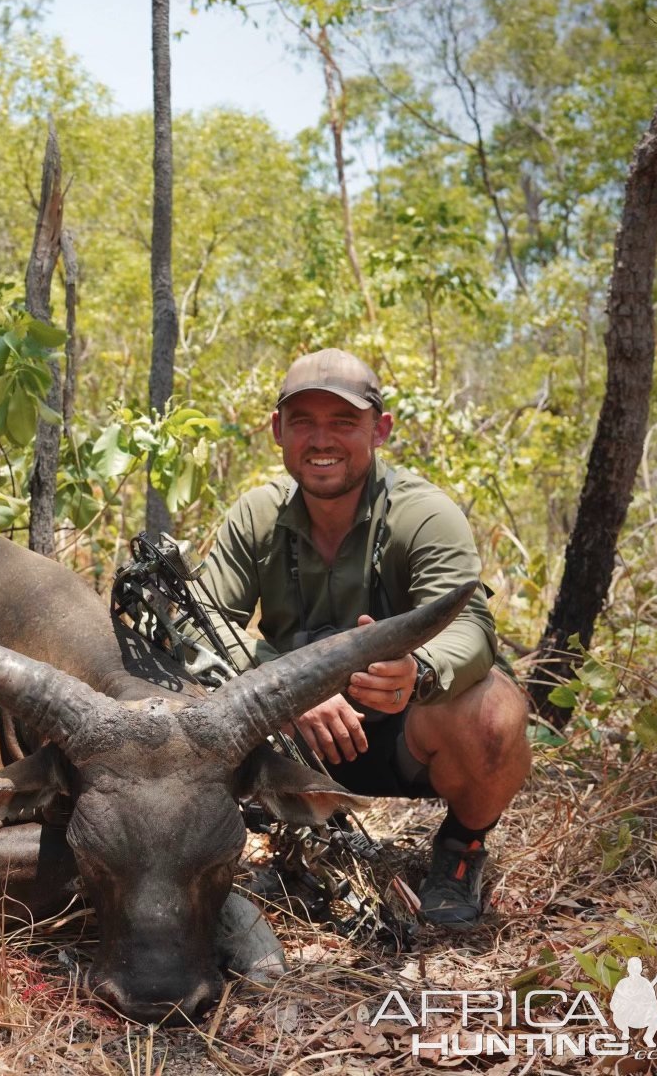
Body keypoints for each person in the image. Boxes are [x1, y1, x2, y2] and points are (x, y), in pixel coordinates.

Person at [195, 349, 531, 927]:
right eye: (303, 422)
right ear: (278, 431)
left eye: (343, 422)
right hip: (295, 742)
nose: (321, 440)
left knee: (496, 711)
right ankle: (235, 849)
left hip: (402, 730)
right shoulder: (256, 515)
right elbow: (193, 617)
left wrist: (417, 672)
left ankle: (460, 851)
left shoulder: (423, 514)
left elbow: (471, 627)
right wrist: (283, 686)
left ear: (380, 429)